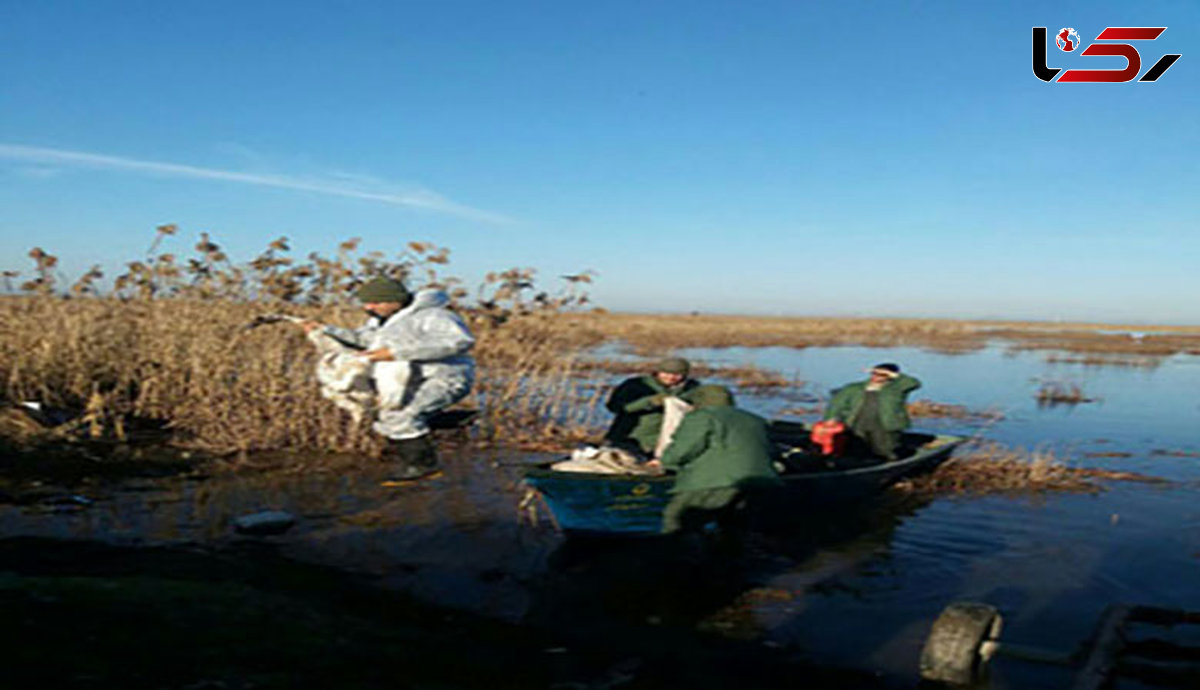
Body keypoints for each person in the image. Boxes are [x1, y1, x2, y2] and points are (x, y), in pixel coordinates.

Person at [302, 276, 475, 481]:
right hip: (409, 379)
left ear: (395, 299)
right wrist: (326, 330)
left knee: (400, 417)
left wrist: (395, 353)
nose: (369, 307)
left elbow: (459, 342)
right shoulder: (379, 319)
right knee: (385, 413)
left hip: (446, 378)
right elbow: (364, 340)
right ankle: (453, 419)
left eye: (375, 303)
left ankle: (424, 467)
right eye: (366, 303)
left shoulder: (434, 315)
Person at [650, 385, 782, 535]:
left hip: (713, 480)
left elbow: (684, 449)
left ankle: (683, 556)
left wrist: (664, 461)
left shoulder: (702, 416)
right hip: (759, 480)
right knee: (733, 523)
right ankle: (730, 556)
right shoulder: (755, 418)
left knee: (678, 518)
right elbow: (770, 449)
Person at [823, 363, 920, 461]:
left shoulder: (897, 388)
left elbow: (914, 383)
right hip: (857, 423)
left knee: (885, 449)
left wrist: (894, 375)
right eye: (874, 373)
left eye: (882, 375)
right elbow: (837, 403)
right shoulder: (854, 388)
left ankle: (888, 466)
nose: (876, 377)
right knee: (856, 449)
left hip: (886, 424)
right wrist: (831, 418)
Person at [603, 357, 700, 456]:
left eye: (677, 375)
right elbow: (615, 407)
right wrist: (650, 402)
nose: (671, 378)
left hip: (665, 443)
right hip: (630, 439)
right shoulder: (635, 385)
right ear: (658, 372)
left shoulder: (692, 388)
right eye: (666, 373)